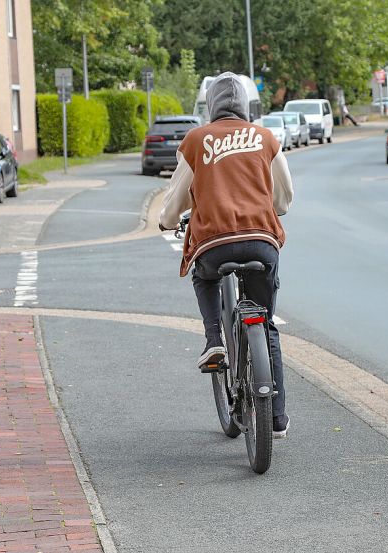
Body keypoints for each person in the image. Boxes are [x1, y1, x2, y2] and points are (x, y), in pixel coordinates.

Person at [159, 72, 294, 438]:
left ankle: (214, 338)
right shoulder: (266, 138)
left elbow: (177, 198)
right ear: (247, 106)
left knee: (205, 274)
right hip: (261, 242)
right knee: (265, 324)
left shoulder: (197, 140)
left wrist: (167, 221)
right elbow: (284, 198)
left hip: (214, 243)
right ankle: (277, 419)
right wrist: (271, 209)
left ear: (211, 106)